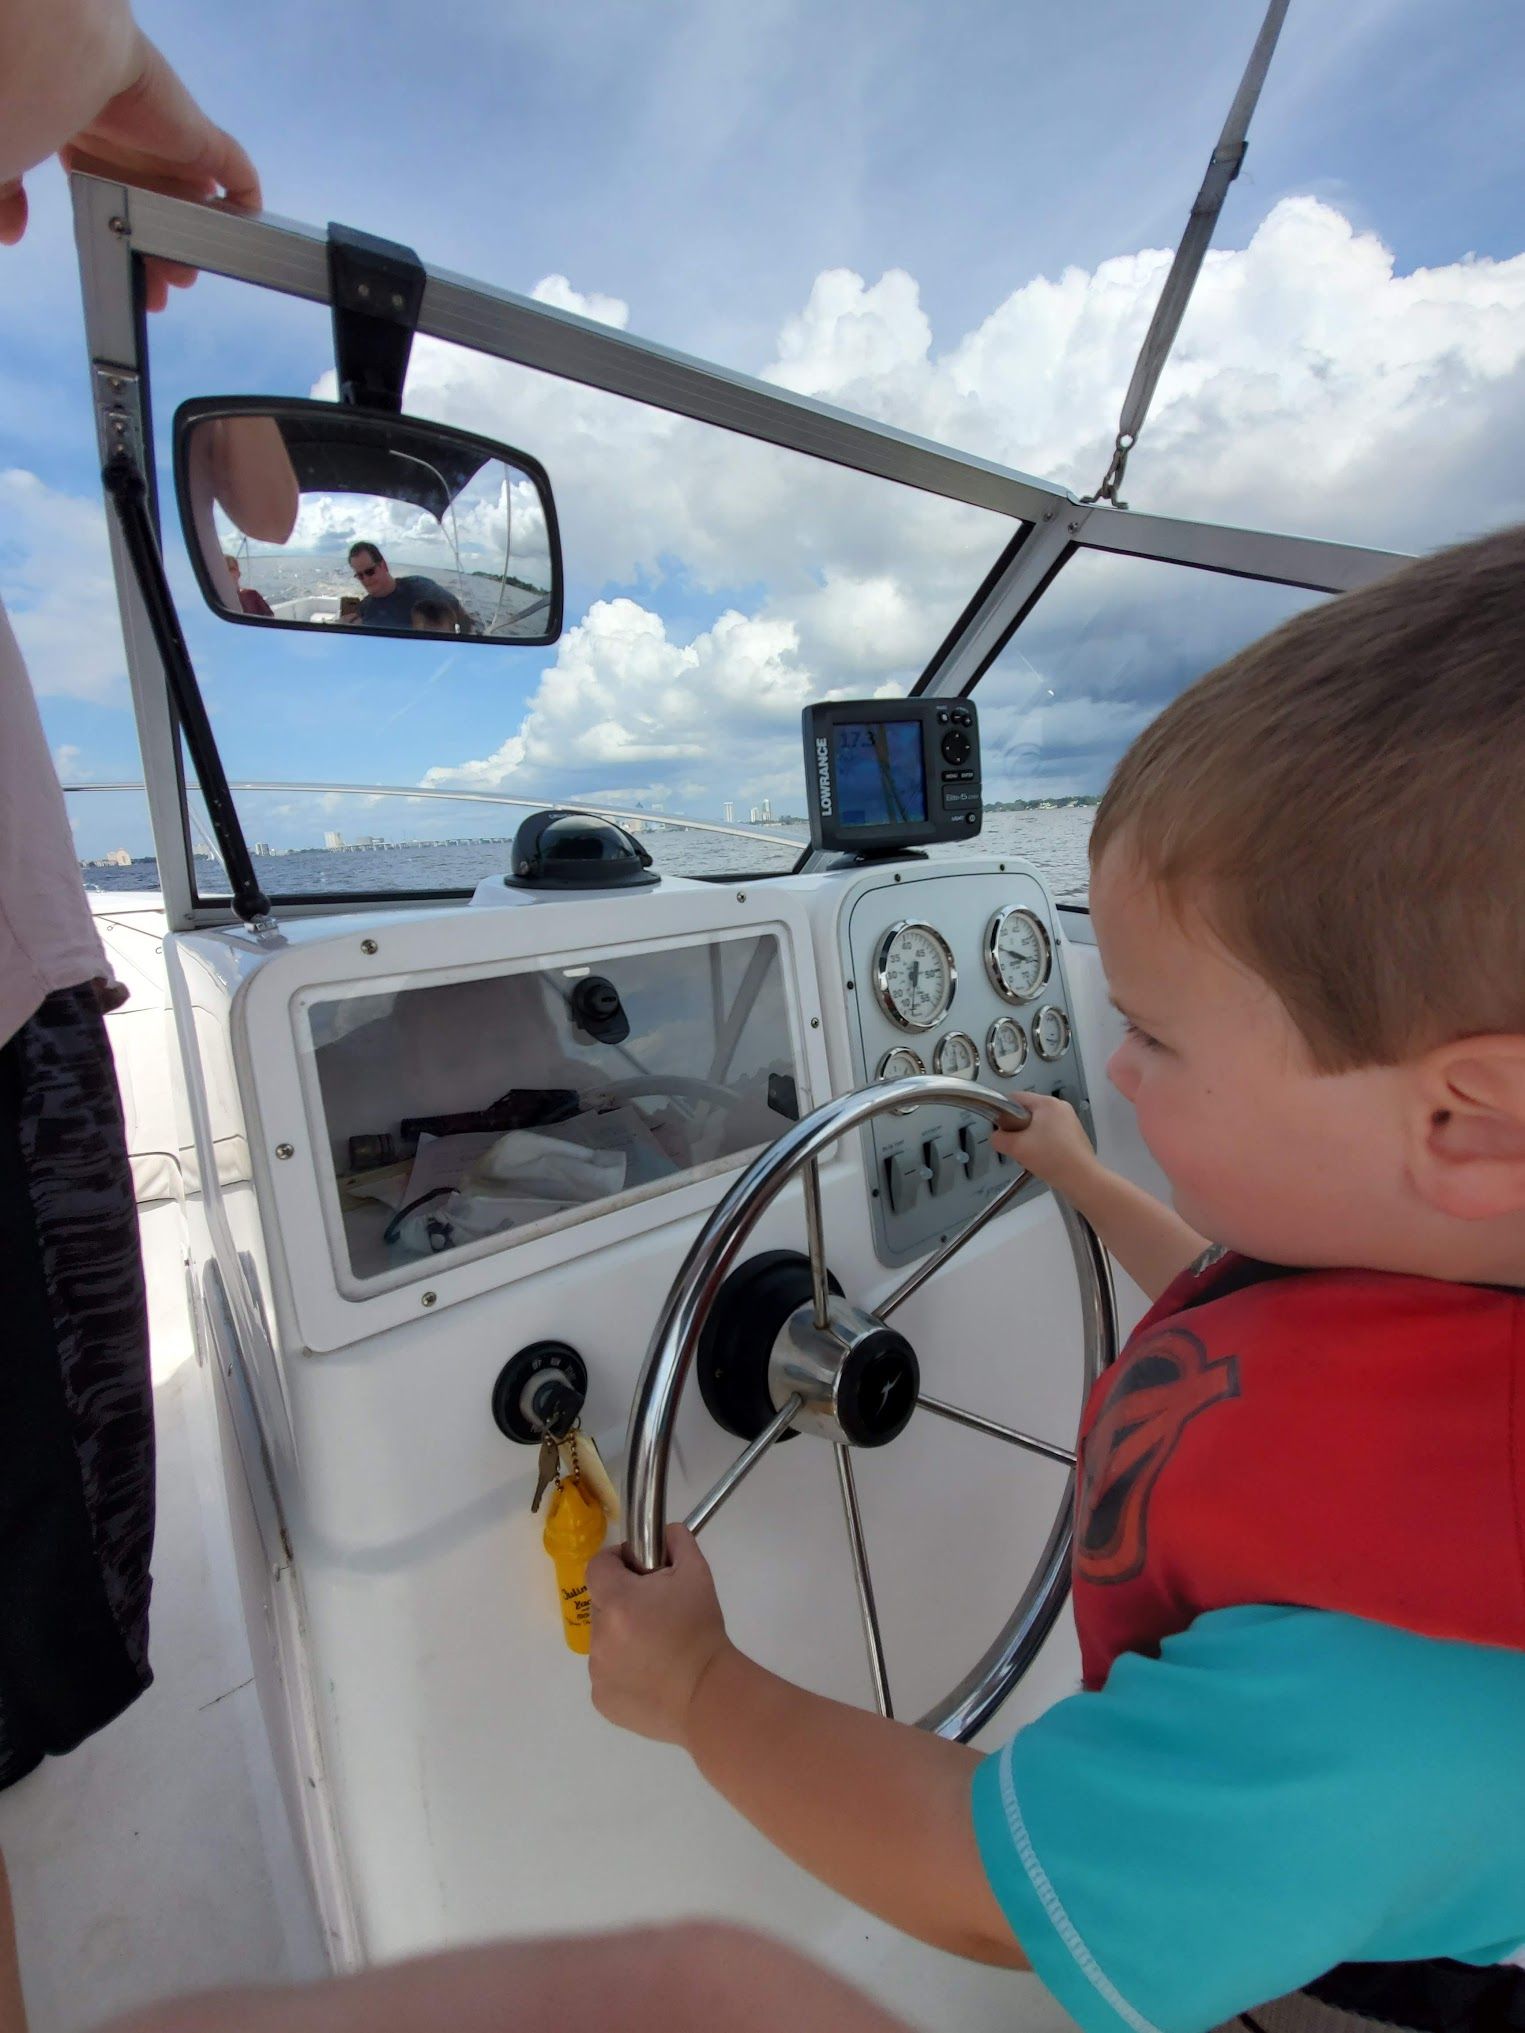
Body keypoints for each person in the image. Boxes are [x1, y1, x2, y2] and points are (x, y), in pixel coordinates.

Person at [589, 525, 1525, 2033]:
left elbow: (993, 1889)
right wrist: (1090, 1184)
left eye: (1154, 1035)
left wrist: (697, 1685)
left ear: (1465, 1124)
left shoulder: (1403, 1683)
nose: (1118, 1066)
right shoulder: (1458, 1282)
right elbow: (1245, 1337)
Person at [346, 542, 453, 629]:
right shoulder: (364, 608)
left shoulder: (421, 587)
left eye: (370, 572)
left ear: (383, 565)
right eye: (360, 575)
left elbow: (458, 611)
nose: (366, 579)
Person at [222, 553, 273, 618]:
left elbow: (269, 616)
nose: (228, 573)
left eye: (231, 569)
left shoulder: (252, 594)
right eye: (224, 570)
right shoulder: (215, 600)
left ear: (239, 574)